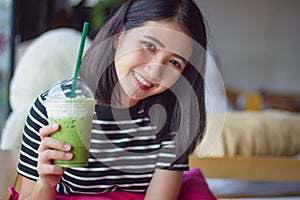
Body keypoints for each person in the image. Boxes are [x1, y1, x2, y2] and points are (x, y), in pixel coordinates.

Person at [17, 0, 207, 199]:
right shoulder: (50, 108)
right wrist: (45, 184)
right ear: (119, 35)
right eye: (149, 46)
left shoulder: (172, 122)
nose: (155, 70)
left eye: (174, 62)